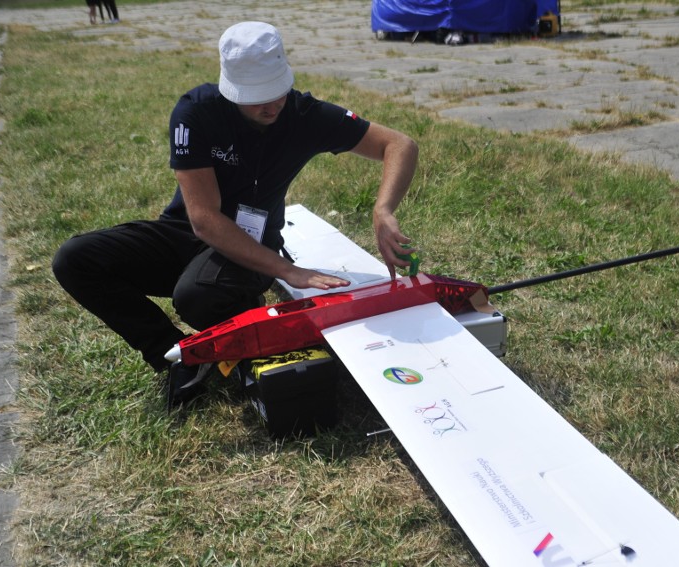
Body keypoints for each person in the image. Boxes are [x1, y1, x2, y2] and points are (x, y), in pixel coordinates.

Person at [52, 21, 418, 409]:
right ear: (230, 88)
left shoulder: (304, 115)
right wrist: (287, 271)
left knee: (196, 297)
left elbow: (399, 144)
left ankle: (245, 330)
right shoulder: (196, 113)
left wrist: (383, 209)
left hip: (253, 243)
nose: (271, 105)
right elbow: (204, 220)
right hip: (187, 232)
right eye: (257, 97)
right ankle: (173, 356)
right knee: (75, 259)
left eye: (277, 92)